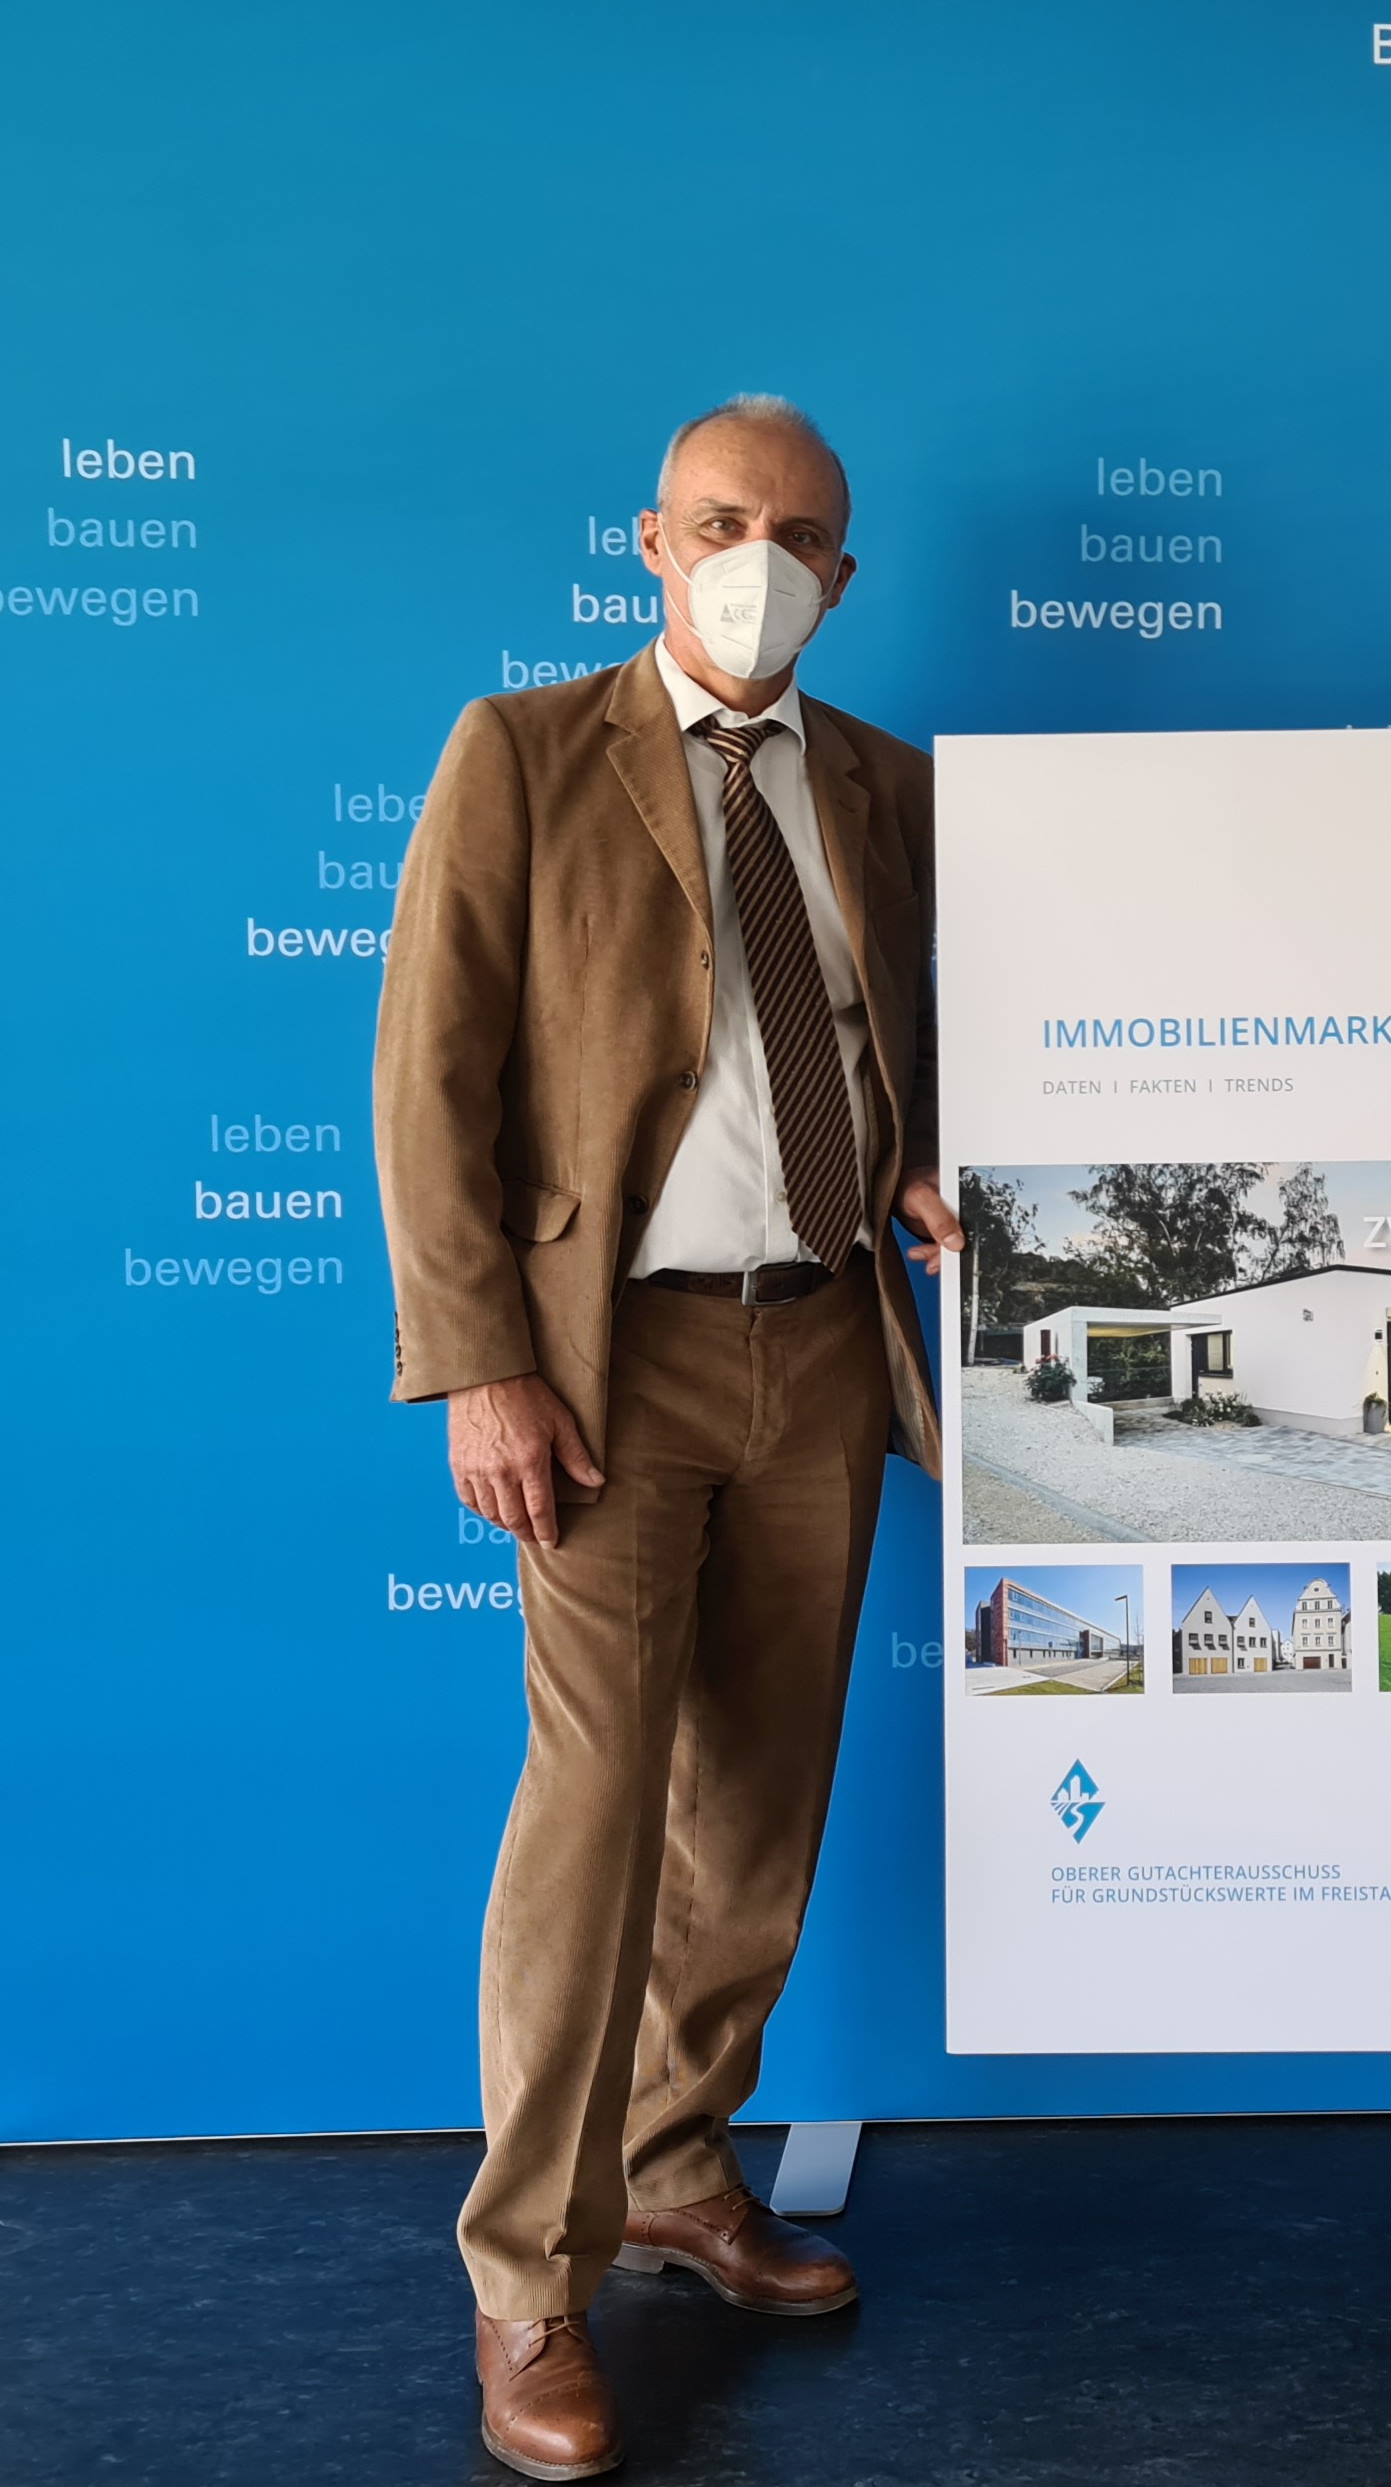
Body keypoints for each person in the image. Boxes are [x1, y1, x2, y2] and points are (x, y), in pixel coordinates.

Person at [375, 394, 961, 2479]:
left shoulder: (887, 784)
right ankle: (525, 2273)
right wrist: (481, 1362)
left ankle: (677, 2161)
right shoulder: (524, 751)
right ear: (650, 537)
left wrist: (921, 1163)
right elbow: (431, 1076)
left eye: (796, 534)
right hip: (604, 1363)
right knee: (599, 1807)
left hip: (825, 1341)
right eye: (721, 520)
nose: (755, 561)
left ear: (843, 575)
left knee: (758, 1810)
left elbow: (899, 1044)